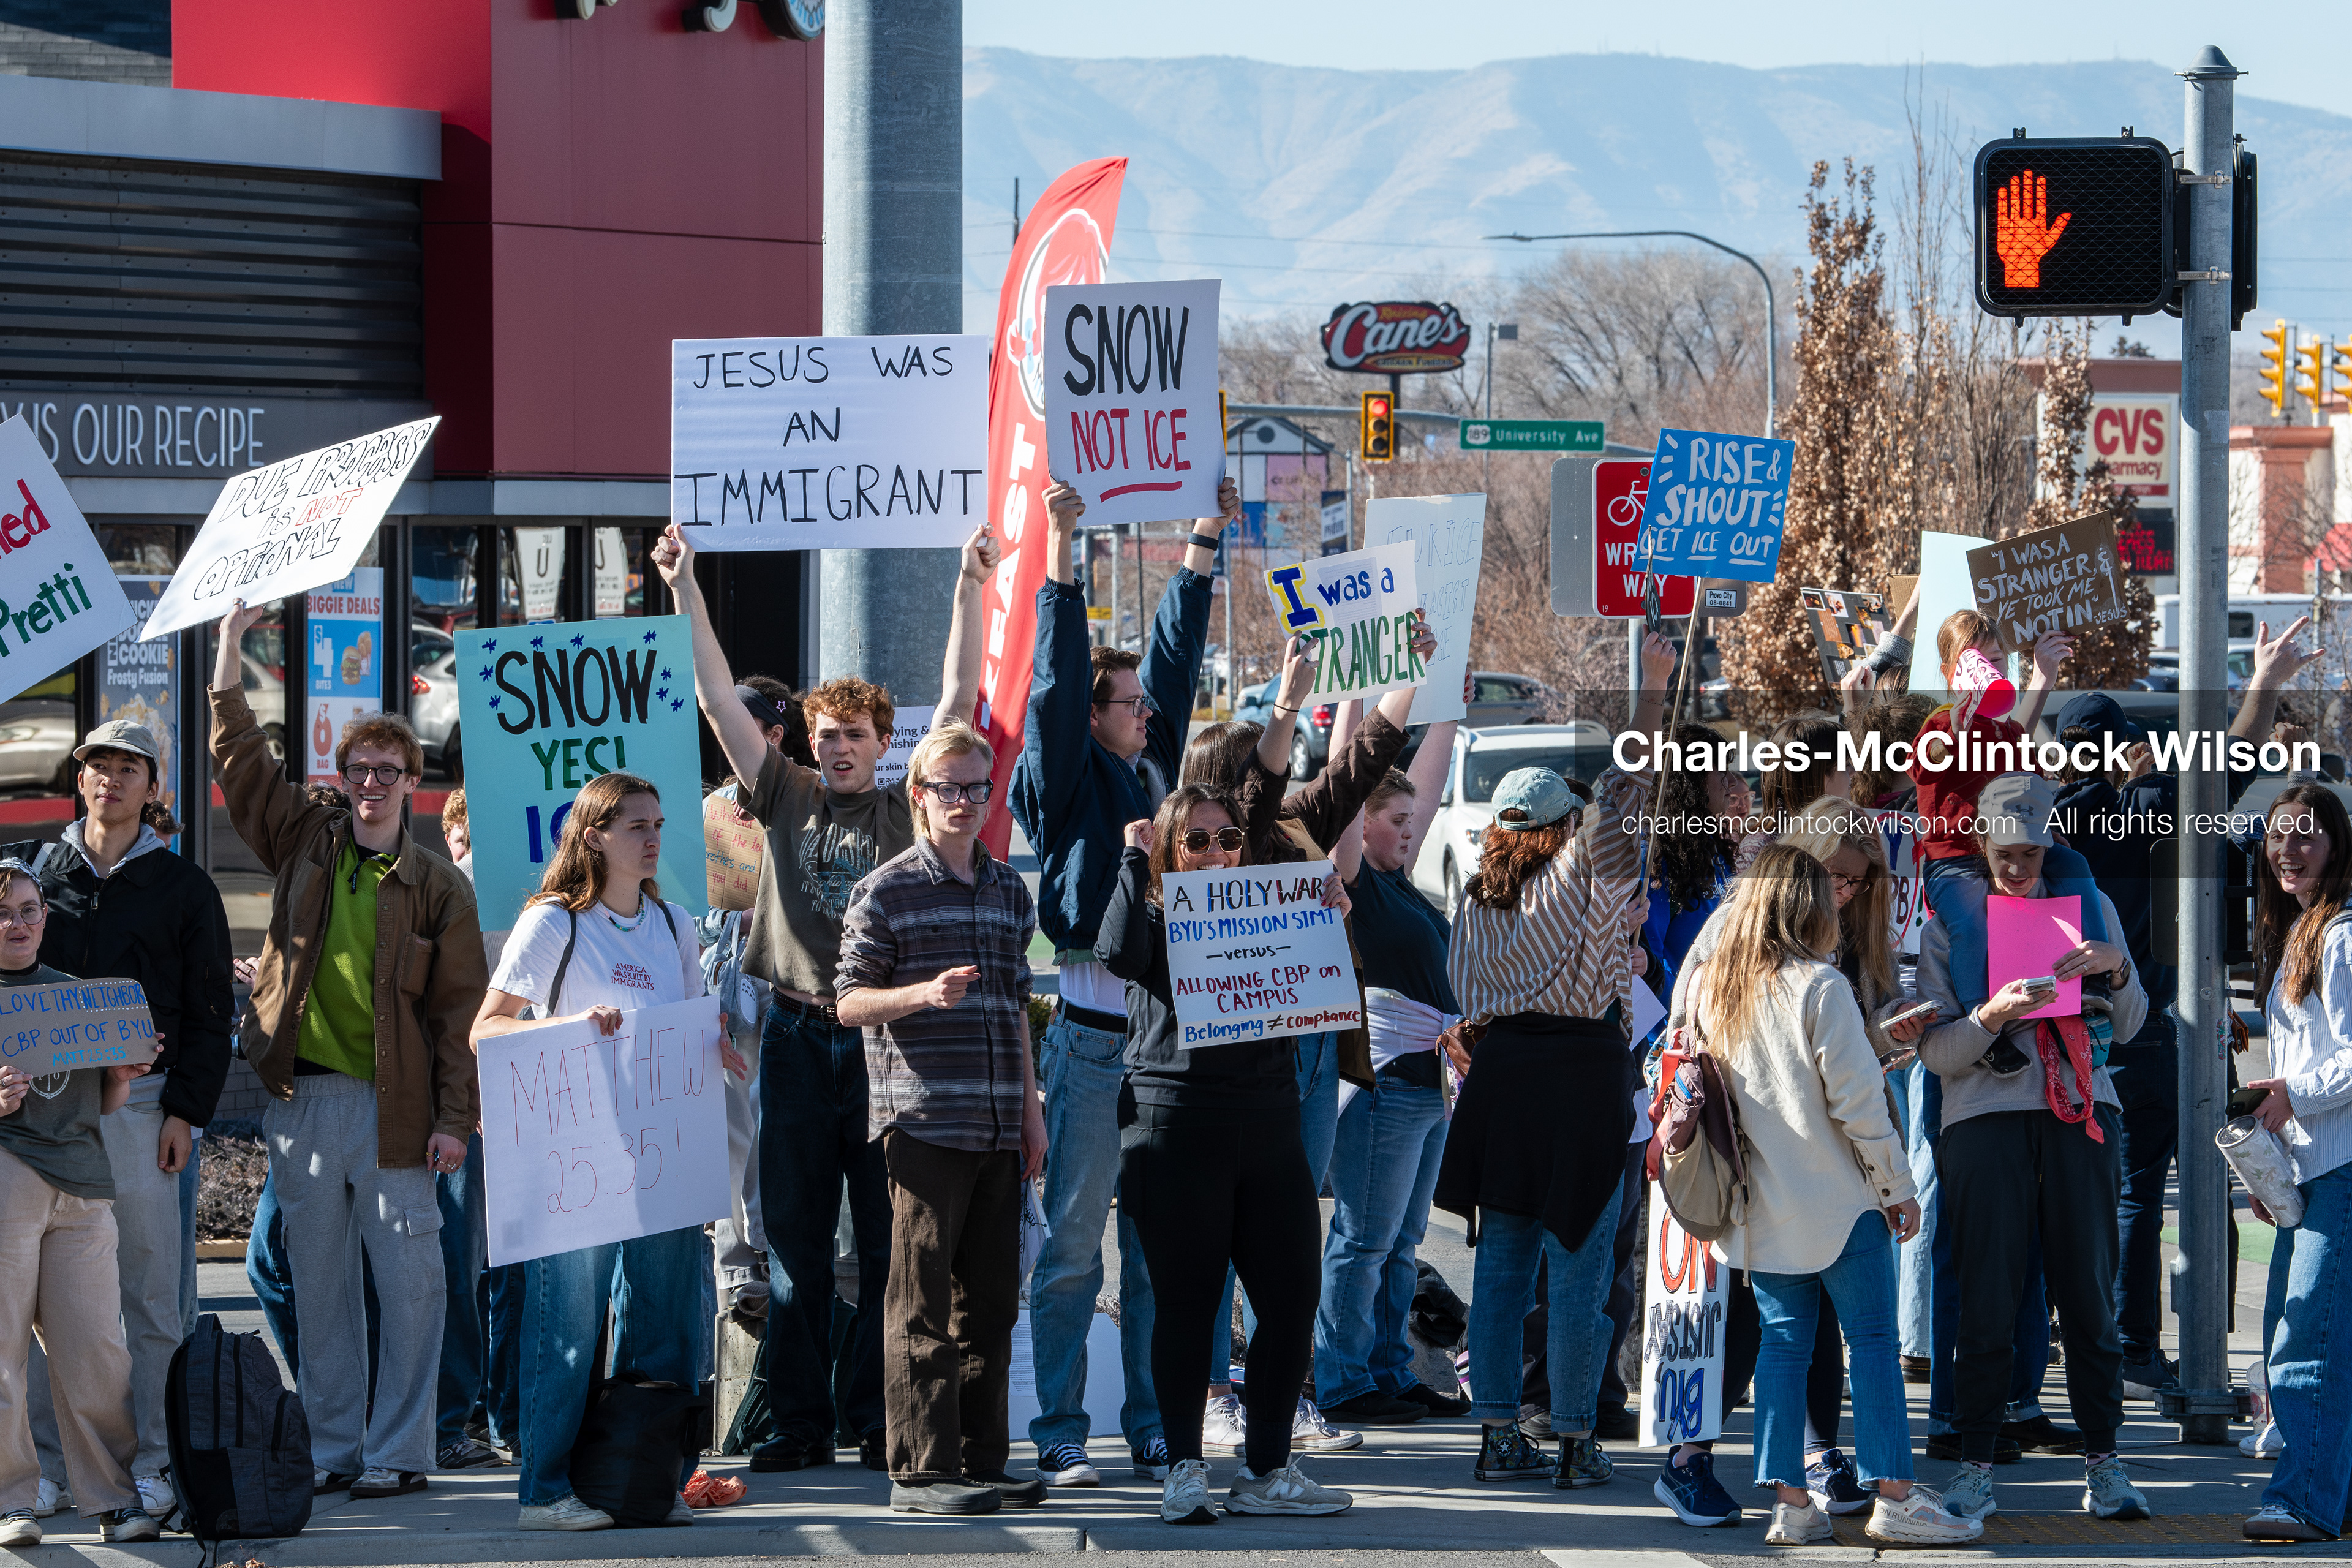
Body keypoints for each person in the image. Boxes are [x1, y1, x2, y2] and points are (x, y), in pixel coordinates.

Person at [653, 519, 993, 1474]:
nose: (836, 748)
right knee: (795, 1246)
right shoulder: (786, 795)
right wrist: (685, 586)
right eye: (824, 735)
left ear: (889, 746)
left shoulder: (903, 807)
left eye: (853, 735)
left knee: (889, 1251)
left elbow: (962, 697)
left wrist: (969, 583)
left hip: (888, 1045)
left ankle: (879, 1420)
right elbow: (719, 699)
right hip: (798, 1042)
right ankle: (800, 1427)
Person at [210, 598, 486, 1501]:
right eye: (359, 768)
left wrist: (456, 1121)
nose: (371, 782)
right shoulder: (306, 841)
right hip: (302, 1104)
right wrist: (228, 644)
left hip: (397, 1110)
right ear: (343, 774)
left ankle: (401, 1454)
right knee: (319, 1287)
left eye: (388, 770)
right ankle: (336, 1451)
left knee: (410, 1287)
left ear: (414, 780)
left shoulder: (438, 884)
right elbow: (242, 765)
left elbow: (459, 1016)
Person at [1014, 477, 1235, 1488]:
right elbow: (1058, 680)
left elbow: (1179, 663)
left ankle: (1153, 1422)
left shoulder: (1156, 775)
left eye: (1146, 705)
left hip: (1167, 1046)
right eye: (1129, 704)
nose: (1147, 712)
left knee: (1156, 1251)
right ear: (1094, 717)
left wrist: (1201, 542)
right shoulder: (1068, 778)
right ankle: (1060, 1426)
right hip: (1094, 1041)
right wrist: (1061, 541)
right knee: (1072, 1247)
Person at [1180, 628, 1437, 1448]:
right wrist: (1290, 698)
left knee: (1289, 1222)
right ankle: (1216, 1388)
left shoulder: (1299, 823)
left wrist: (1407, 678)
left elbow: (1362, 762)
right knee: (1224, 1225)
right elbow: (1265, 784)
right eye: (1258, 768)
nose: (1277, 779)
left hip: (1315, 1044)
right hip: (1238, 1051)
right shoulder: (1223, 838)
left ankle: (1280, 1391)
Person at [1678, 845, 1977, 1547]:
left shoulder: (1720, 988)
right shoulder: (1821, 986)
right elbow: (1859, 1104)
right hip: (1843, 1201)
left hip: (1763, 1203)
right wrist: (1898, 1188)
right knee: (1872, 1341)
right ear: (1806, 906)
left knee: (1782, 1349)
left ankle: (1790, 1504)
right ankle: (1895, 1496)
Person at [1434, 631, 1673, 1493]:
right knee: (1580, 1266)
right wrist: (1648, 698)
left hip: (1503, 1078)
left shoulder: (1475, 896)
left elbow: (1466, 995)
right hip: (1580, 1073)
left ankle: (1498, 1432)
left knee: (1501, 1266)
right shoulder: (1583, 866)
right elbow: (1627, 788)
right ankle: (1575, 1435)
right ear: (1564, 826)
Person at [472, 773, 731, 1531]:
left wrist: (717, 1046)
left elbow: (684, 1030)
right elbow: (486, 1029)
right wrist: (575, 1028)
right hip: (573, 1160)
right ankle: (544, 1490)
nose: (653, 839)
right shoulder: (554, 923)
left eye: (658, 824)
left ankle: (651, 1480)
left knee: (666, 1322)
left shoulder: (676, 923)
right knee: (568, 1325)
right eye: (635, 827)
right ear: (592, 837)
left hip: (662, 1158)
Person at [1099, 785, 1355, 1524]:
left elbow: (1323, 983)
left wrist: (1329, 912)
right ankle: (1184, 1466)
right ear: (1170, 850)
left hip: (1268, 1124)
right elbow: (1116, 952)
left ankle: (1267, 1467)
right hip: (1176, 1128)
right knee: (1186, 1304)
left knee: (1292, 1296)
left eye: (1229, 839)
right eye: (1198, 841)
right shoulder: (1150, 912)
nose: (1217, 853)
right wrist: (1132, 858)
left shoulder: (1273, 905)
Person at [1, 720, 233, 1523]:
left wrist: (185, 1112)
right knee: (30, 1308)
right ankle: (47, 1473)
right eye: (99, 765)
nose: (111, 779)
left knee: (146, 1302)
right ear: (81, 776)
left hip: (141, 1109)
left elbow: (211, 1008)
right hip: (39, 1114)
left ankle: (159, 1463)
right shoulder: (36, 875)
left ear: (151, 784)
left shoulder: (184, 885)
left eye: (128, 767)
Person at [1912, 771, 2150, 1523]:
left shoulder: (2090, 904)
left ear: (2049, 846)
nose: (2017, 868)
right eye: (2004, 853)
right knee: (1986, 1296)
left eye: (2030, 853)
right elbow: (1937, 1053)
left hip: (2082, 1111)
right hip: (1984, 1120)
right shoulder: (1948, 922)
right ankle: (1975, 1466)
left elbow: (2135, 1023)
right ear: (1981, 844)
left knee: (2087, 1292)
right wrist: (1989, 1015)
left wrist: (2114, 965)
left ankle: (2105, 1464)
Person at [835, 722, 1048, 1516]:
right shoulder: (885, 890)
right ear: (918, 796)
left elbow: (1017, 1012)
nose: (964, 802)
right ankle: (921, 1473)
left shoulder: (1006, 891)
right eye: (947, 788)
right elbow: (849, 1002)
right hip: (922, 1125)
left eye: (976, 789)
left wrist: (1032, 1116)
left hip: (997, 1126)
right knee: (919, 1303)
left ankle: (981, 1462)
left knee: (991, 1304)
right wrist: (922, 995)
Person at [0, 859, 162, 1547]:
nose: (18, 923)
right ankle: (10, 1502)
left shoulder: (76, 997)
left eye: (30, 909)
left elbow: (103, 1100)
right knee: (1, 1351)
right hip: (8, 1175)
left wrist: (124, 1075)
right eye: (4, 911)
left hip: (83, 1186)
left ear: (46, 916)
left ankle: (114, 1498)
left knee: (97, 1348)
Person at [1311, 701, 1463, 1426]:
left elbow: (1427, 790)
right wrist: (1351, 703)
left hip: (1427, 1086)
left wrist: (1449, 714)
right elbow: (1344, 785)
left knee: (1402, 1243)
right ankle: (1342, 1379)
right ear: (1362, 821)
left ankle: (1389, 1369)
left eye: (1411, 822)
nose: (1410, 830)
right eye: (1394, 821)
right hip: (1384, 1087)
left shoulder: (1401, 881)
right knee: (1363, 1239)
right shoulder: (1355, 884)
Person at [2239, 784, 2352, 1541]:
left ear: (2338, 846)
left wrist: (2291, 1097)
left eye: (2308, 836)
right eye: (2280, 836)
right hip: (2310, 1172)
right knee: (2313, 1337)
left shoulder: (2341, 936)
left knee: (2306, 1338)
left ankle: (2304, 1498)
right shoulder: (2299, 936)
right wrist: (2270, 1162)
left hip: (2341, 1168)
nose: (2290, 849)